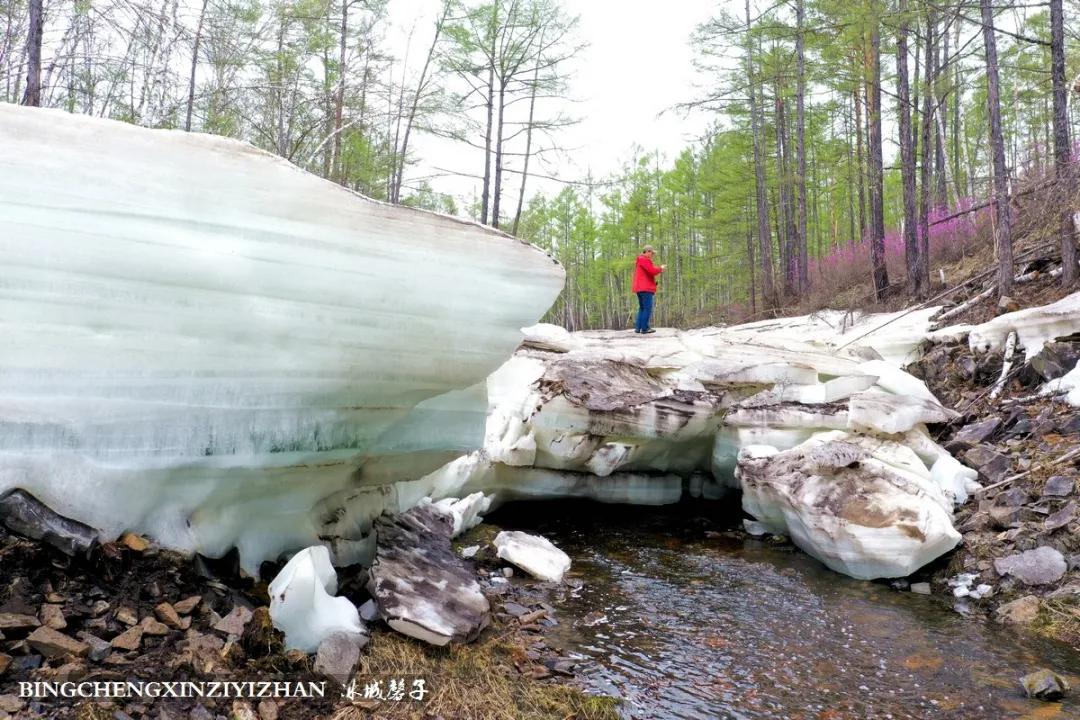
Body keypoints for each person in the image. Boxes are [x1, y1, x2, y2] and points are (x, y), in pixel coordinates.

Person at [632, 245, 665, 334]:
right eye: (651, 253)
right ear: (647, 251)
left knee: (642, 308)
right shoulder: (644, 260)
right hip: (645, 288)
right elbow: (652, 271)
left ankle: (638, 328)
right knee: (647, 308)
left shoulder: (640, 260)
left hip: (640, 288)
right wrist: (661, 268)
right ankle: (645, 328)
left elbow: (648, 272)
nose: (652, 255)